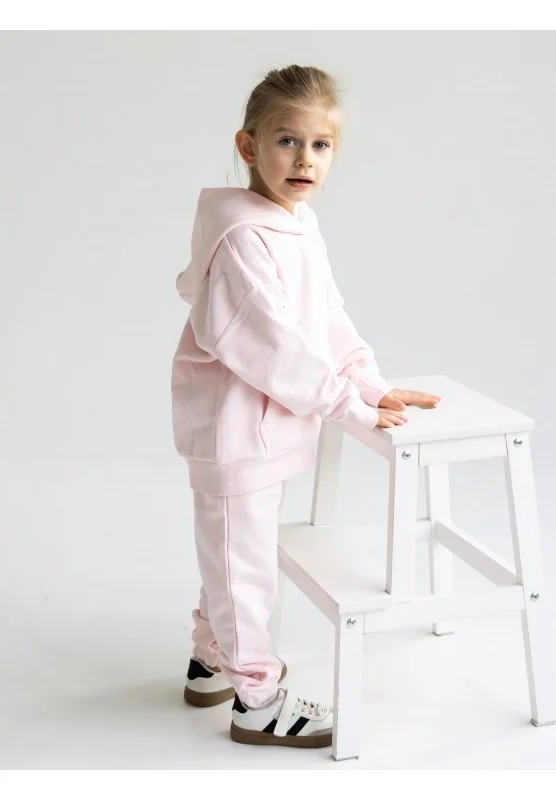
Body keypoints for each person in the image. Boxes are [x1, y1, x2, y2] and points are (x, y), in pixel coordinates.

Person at [171, 64, 441, 749]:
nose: (304, 159)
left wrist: (369, 382)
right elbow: (274, 348)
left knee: (237, 555)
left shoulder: (297, 223)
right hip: (236, 432)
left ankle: (211, 661)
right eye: (287, 141)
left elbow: (326, 319)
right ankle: (256, 700)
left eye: (320, 145)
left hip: (266, 428)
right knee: (243, 567)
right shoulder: (243, 237)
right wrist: (346, 404)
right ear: (248, 145)